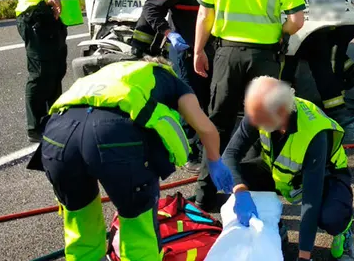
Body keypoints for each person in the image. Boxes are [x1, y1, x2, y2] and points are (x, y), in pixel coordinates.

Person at [38, 59, 234, 261]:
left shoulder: (112, 72)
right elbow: (205, 128)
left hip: (57, 136)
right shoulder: (169, 78)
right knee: (138, 229)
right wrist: (215, 161)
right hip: (114, 136)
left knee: (81, 227)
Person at [193, 0, 306, 211]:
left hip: (226, 54)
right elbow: (297, 21)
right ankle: (256, 194)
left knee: (217, 124)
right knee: (261, 124)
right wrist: (280, 32)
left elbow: (205, 14)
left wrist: (199, 50)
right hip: (266, 56)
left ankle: (204, 195)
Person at [222, 76, 354, 261]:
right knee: (239, 175)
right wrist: (240, 190)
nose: (254, 124)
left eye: (260, 120)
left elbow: (311, 200)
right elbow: (230, 155)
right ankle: (274, 225)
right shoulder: (260, 109)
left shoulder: (314, 134)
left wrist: (304, 256)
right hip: (283, 172)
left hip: (326, 175)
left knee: (331, 217)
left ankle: (344, 229)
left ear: (281, 113)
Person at [131, 0, 224, 109]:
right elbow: (151, 7)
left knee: (205, 102)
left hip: (208, 52)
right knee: (189, 104)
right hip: (186, 54)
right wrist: (168, 33)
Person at [15, 0, 83, 142]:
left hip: (47, 21)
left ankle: (53, 120)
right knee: (42, 73)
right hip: (38, 19)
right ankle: (36, 127)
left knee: (54, 72)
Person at [330, 25, 354, 91]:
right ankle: (351, 69)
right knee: (337, 54)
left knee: (333, 57)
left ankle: (336, 88)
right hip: (348, 27)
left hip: (336, 30)